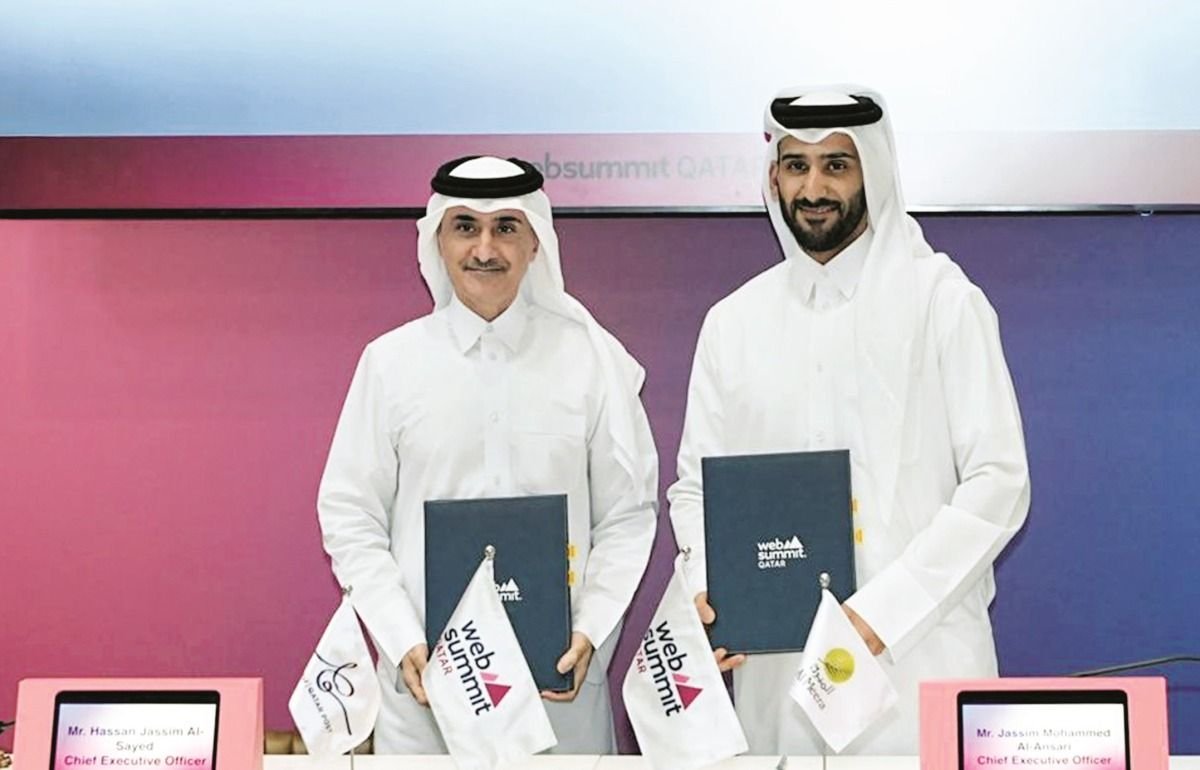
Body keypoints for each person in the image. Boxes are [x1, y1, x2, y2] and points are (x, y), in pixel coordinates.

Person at [667, 86, 1031, 754]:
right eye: (796, 166)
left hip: (917, 659)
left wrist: (881, 614)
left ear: (874, 172)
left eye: (837, 165)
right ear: (774, 178)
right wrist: (709, 590)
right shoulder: (733, 323)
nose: (814, 188)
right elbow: (696, 488)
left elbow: (999, 481)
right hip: (778, 670)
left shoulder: (943, 303)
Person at [317, 155, 658, 754]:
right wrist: (401, 638)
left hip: (558, 697)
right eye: (465, 227)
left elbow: (627, 517)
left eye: (505, 227)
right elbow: (350, 516)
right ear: (438, 240)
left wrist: (590, 629)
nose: (484, 248)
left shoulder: (591, 361)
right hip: (428, 701)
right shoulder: (390, 364)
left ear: (535, 241)